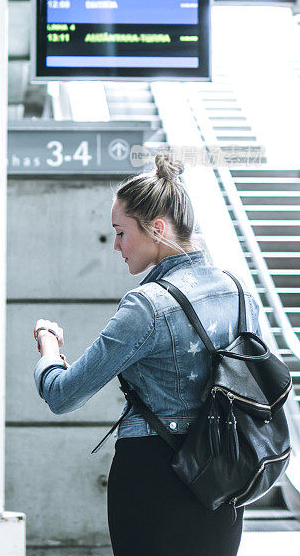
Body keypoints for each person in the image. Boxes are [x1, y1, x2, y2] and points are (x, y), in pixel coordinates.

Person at [32, 151, 262, 556]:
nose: (116, 245)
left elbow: (62, 394)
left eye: (121, 232)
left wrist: (48, 342)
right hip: (226, 474)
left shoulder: (146, 307)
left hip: (153, 476)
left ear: (156, 229)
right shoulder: (238, 290)